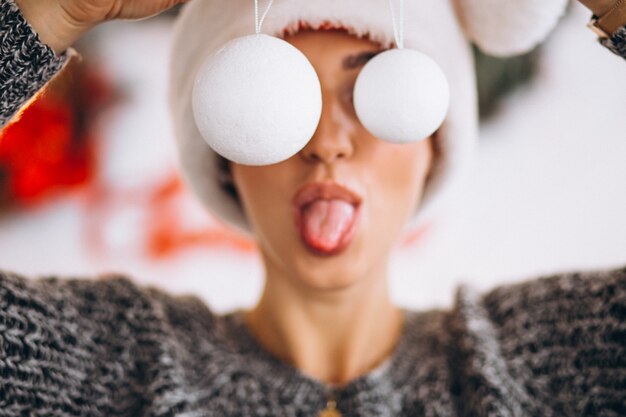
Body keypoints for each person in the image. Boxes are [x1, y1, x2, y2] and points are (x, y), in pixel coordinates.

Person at [1, 0, 625, 416]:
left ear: (433, 144)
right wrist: (55, 13)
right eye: (275, 100)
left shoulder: (545, 363)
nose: (327, 142)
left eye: (371, 89)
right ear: (225, 154)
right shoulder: (115, 363)